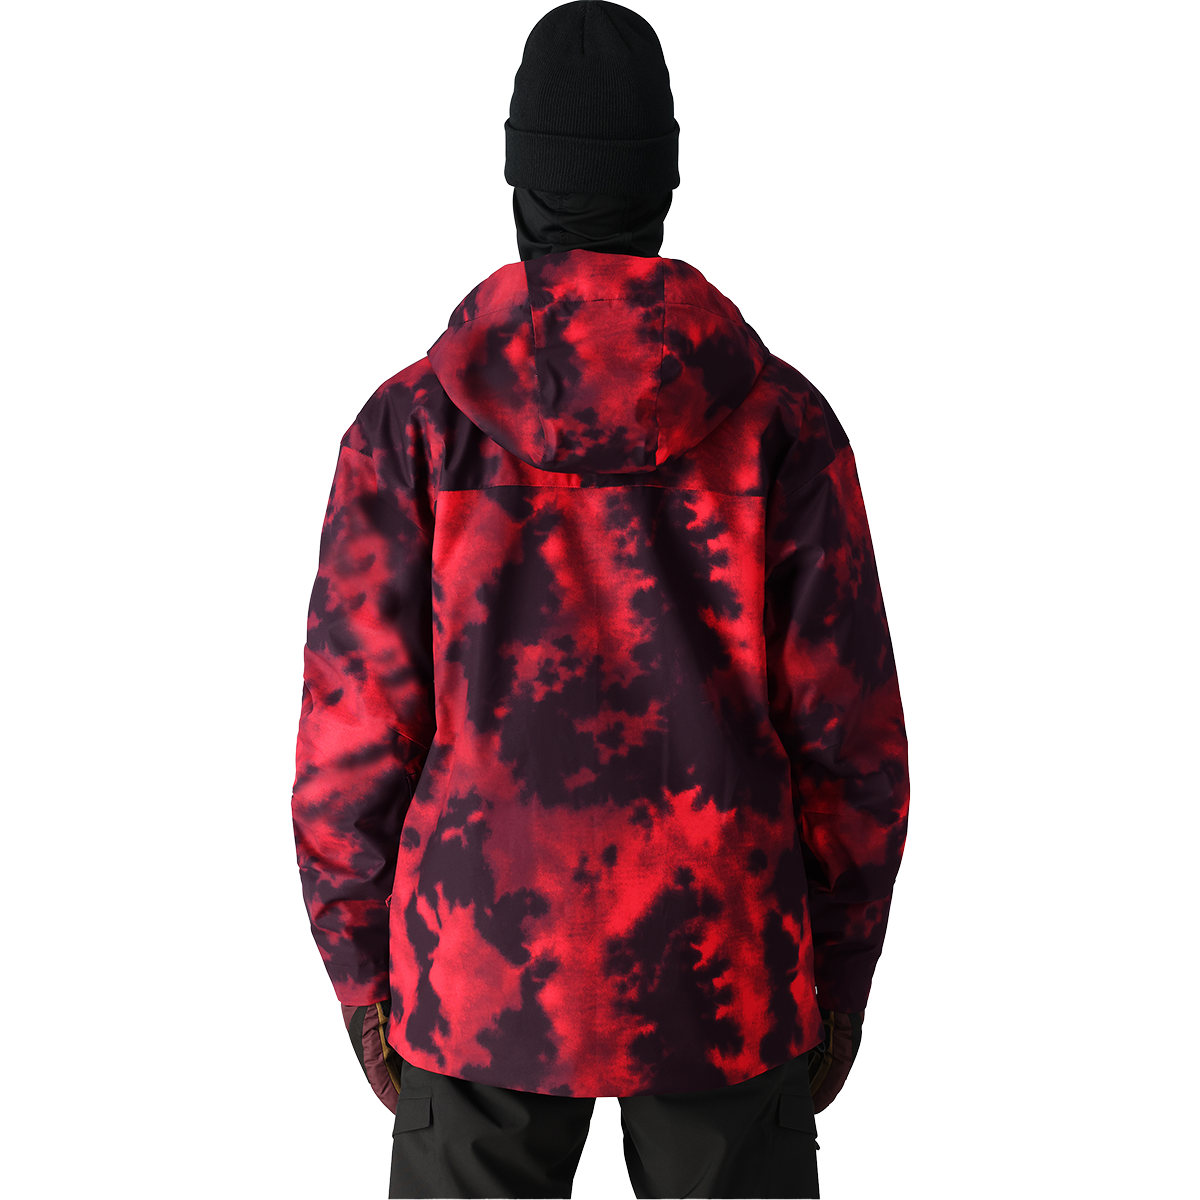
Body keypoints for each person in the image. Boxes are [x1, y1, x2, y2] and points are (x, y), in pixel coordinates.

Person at [290, 3, 910, 1197]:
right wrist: (835, 980)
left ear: (517, 174)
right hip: (726, 971)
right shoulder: (782, 425)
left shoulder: (410, 428)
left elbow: (349, 745)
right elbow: (853, 750)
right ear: (664, 179)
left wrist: (369, 986)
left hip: (477, 969)